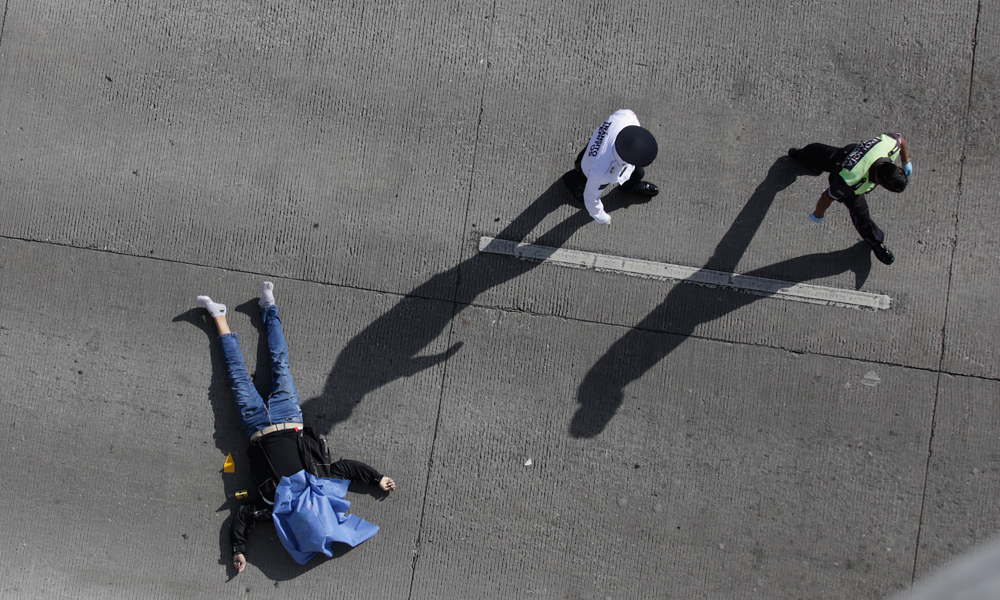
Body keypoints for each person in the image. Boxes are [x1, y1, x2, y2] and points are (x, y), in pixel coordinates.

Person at [196, 282, 396, 573]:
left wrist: (239, 549)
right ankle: (269, 308)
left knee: (236, 375)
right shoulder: (324, 484)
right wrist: (377, 478)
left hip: (256, 424)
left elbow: (244, 515)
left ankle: (218, 316)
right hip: (289, 415)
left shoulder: (276, 507)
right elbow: (349, 468)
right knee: (279, 362)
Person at [788, 133, 913, 265]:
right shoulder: (850, 182)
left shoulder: (887, 146)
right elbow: (826, 197)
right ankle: (800, 155)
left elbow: (900, 139)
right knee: (861, 216)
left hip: (849, 153)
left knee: (819, 152)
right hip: (843, 172)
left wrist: (906, 161)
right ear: (879, 182)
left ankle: (876, 243)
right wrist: (818, 214)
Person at [563, 109, 660, 226]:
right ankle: (577, 186)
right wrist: (602, 218)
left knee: (638, 173)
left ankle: (631, 185)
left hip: (598, 148)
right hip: (590, 165)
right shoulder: (601, 173)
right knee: (580, 180)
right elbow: (590, 198)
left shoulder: (627, 116)